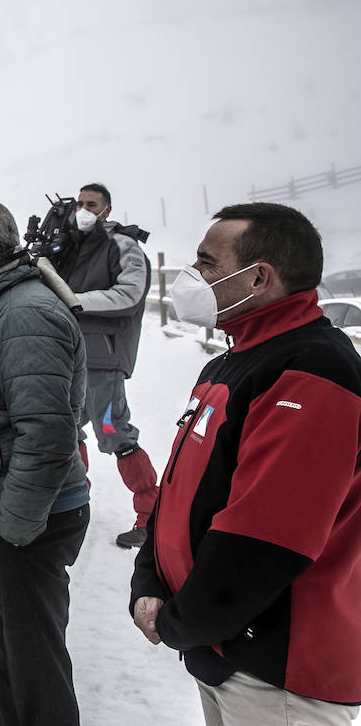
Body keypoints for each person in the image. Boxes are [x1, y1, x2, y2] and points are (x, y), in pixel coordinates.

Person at [131, 203, 361, 725]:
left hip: (276, 667)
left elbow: (267, 538)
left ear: (258, 277)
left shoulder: (312, 369)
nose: (195, 276)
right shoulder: (232, 361)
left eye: (208, 263)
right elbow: (178, 492)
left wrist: (178, 622)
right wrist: (148, 581)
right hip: (220, 648)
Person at [0, 199, 89, 726]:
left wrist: (15, 524)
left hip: (30, 512)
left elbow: (49, 432)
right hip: (4, 503)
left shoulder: (24, 310)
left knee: (33, 664)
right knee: (8, 650)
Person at [55, 182, 157, 548]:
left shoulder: (122, 246)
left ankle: (150, 516)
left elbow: (129, 293)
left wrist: (74, 300)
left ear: (107, 210)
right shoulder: (73, 245)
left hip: (103, 358)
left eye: (91, 204)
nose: (83, 209)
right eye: (79, 202)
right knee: (67, 429)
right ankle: (75, 501)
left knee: (114, 431)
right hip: (69, 356)